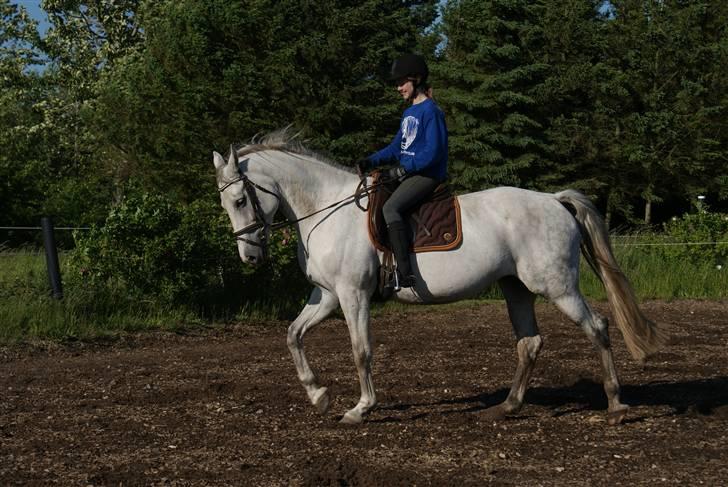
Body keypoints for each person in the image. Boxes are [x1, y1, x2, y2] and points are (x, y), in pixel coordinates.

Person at [357, 53, 449, 289]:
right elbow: (397, 147)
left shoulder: (431, 111)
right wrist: (370, 160)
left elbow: (433, 153)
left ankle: (404, 273)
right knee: (377, 194)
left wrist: (399, 172)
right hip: (410, 173)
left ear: (416, 79)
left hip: (427, 175)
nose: (398, 88)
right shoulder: (409, 113)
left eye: (401, 83)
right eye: (396, 84)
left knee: (391, 207)